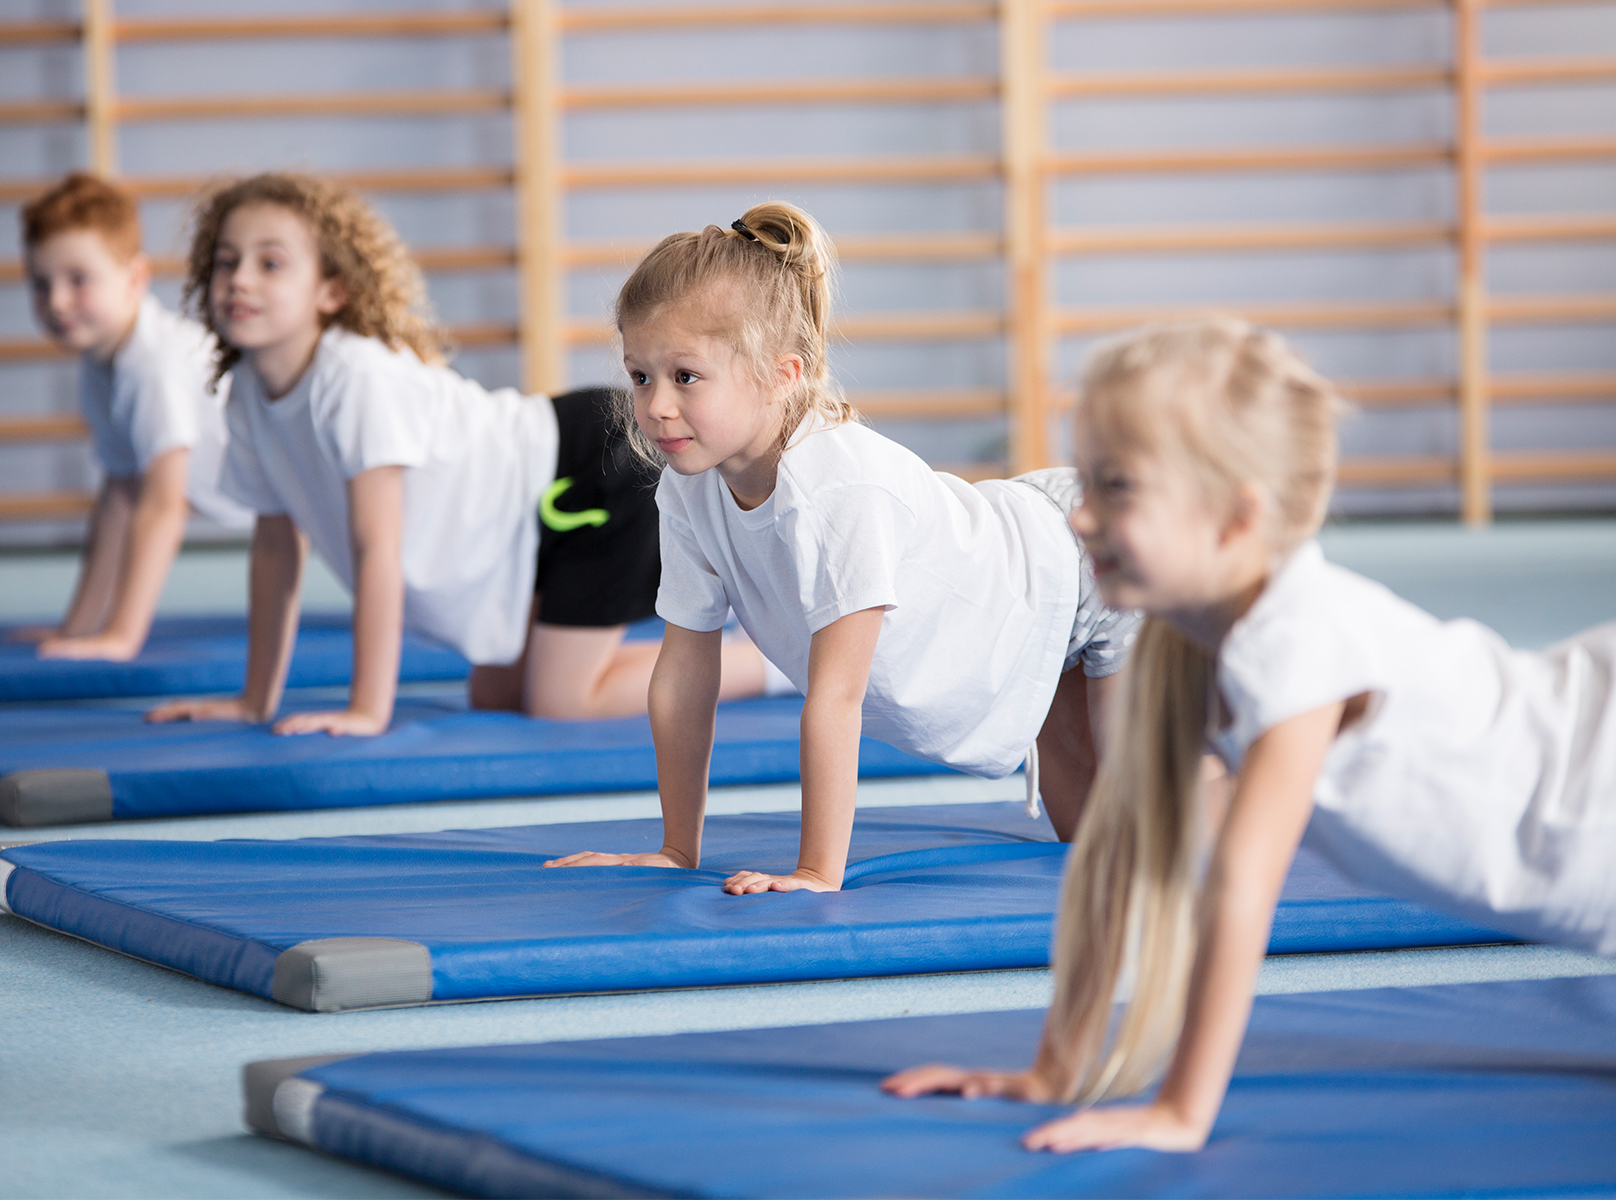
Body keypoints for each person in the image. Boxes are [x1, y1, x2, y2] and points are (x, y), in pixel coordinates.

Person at [882, 316, 1615, 1152]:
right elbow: (1125, 858)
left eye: (1116, 488)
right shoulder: (1177, 644)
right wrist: (1056, 1069)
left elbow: (1241, 887)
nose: (1079, 519)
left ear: (1235, 518)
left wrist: (1181, 1112)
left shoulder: (1295, 641)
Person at [545, 201, 1136, 895]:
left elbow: (837, 695)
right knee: (1090, 850)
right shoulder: (687, 490)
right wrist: (678, 849)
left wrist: (817, 871)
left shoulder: (834, 490)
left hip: (1086, 561)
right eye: (640, 375)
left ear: (782, 374)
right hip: (1027, 603)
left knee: (1150, 825)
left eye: (686, 376)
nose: (654, 407)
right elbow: (683, 674)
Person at [147, 172, 764, 737]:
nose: (240, 279)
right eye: (226, 262)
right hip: (523, 526)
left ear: (331, 290)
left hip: (589, 471)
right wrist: (255, 700)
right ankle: (724, 645)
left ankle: (766, 665)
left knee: (562, 701)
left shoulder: (355, 377)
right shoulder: (248, 395)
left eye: (270, 263)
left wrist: (367, 708)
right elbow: (278, 545)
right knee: (497, 697)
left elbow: (376, 551)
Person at [17, 171, 249, 661]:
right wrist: (79, 627)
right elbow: (120, 495)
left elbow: (164, 506)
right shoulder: (100, 364)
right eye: (41, 283)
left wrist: (121, 636)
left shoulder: (152, 368)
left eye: (78, 280)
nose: (57, 302)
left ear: (135, 279)